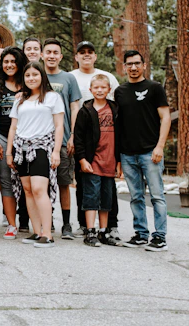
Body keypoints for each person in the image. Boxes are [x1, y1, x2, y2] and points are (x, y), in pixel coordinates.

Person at [117, 50, 171, 252]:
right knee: (136, 196)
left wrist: (160, 146)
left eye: (137, 63)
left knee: (157, 196)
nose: (133, 67)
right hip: (128, 153)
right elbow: (120, 124)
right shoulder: (120, 91)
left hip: (150, 152)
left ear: (144, 65)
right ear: (124, 67)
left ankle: (160, 237)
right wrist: (119, 157)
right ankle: (141, 234)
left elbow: (165, 118)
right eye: (129, 64)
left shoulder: (155, 88)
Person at [6, 61, 64, 248]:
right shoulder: (20, 99)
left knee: (39, 189)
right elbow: (13, 127)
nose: (31, 78)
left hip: (42, 147)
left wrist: (56, 151)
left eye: (35, 75)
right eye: (28, 75)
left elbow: (59, 126)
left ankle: (48, 233)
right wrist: (9, 152)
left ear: (42, 76)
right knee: (28, 191)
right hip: (21, 148)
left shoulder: (52, 97)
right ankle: (37, 231)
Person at [70, 41, 121, 240]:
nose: (86, 55)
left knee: (107, 195)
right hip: (90, 156)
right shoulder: (74, 80)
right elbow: (79, 131)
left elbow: (120, 131)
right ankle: (87, 227)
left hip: (109, 159)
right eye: (81, 52)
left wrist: (119, 160)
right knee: (87, 191)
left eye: (90, 52)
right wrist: (81, 155)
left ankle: (105, 229)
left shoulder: (114, 104)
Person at [43, 38, 81, 240]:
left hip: (64, 138)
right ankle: (46, 220)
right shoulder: (35, 76)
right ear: (42, 55)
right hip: (40, 140)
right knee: (42, 184)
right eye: (48, 52)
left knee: (64, 182)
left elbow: (74, 107)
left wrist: (73, 134)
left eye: (55, 52)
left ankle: (66, 224)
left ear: (60, 56)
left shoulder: (68, 79)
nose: (51, 56)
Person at [0, 47, 27, 239]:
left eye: (13, 61)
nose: (9, 65)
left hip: (26, 137)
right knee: (6, 181)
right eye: (6, 62)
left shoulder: (29, 83)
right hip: (2, 136)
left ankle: (31, 221)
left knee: (28, 181)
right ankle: (12, 224)